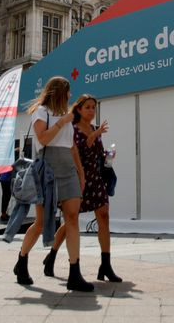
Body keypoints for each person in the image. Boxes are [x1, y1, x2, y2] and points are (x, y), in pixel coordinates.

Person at [13, 76, 93, 291]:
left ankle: (74, 273)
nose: (70, 95)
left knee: (73, 218)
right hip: (47, 169)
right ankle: (22, 260)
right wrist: (62, 122)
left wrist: (81, 172)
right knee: (40, 223)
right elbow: (44, 139)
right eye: (68, 91)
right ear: (60, 92)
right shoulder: (42, 112)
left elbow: (72, 146)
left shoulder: (66, 116)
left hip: (67, 167)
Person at [42, 94, 121, 282]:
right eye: (88, 107)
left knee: (104, 216)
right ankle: (51, 255)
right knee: (71, 220)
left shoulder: (95, 128)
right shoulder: (72, 129)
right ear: (78, 109)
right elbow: (78, 151)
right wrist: (94, 135)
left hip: (96, 178)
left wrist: (107, 156)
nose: (92, 111)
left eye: (94, 107)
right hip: (78, 178)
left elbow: (96, 153)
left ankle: (106, 265)